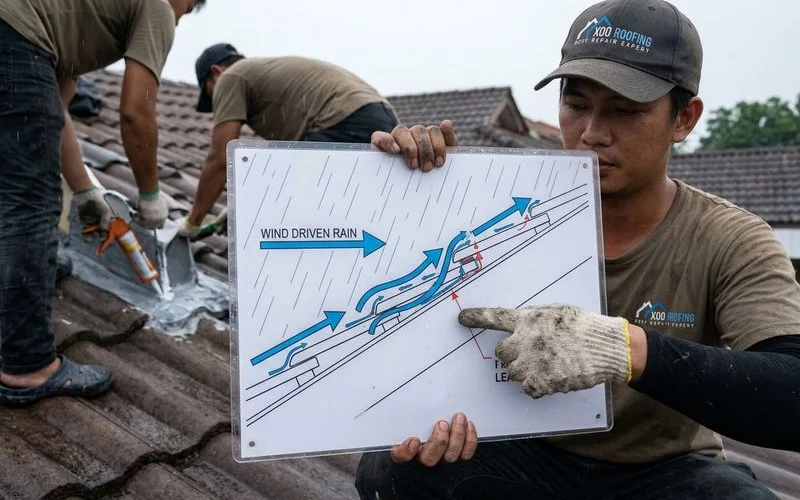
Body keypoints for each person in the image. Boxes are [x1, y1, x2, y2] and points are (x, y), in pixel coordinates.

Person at [355, 0, 800, 498]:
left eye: (625, 111)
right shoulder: (492, 208)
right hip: (526, 455)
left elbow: (792, 392)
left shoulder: (730, 239)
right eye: (577, 104)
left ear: (684, 119)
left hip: (665, 470)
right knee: (391, 472)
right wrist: (413, 186)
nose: (592, 133)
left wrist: (626, 349)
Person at [0, 0, 206, 407]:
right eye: (185, 14)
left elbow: (54, 110)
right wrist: (149, 194)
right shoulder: (158, 8)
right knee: (31, 204)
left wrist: (84, 190)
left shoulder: (69, 27)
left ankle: (23, 281)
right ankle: (26, 365)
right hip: (11, 36)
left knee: (13, 186)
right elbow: (136, 112)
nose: (176, 23)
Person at [174, 44, 400, 237]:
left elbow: (220, 159)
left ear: (216, 72)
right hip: (381, 116)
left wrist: (193, 222)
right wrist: (244, 206)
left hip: (343, 118)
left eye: (211, 95)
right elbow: (282, 165)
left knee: (296, 213)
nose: (217, 104)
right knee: (348, 211)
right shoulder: (262, 77)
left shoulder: (230, 77)